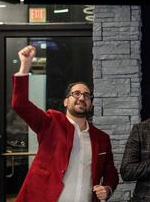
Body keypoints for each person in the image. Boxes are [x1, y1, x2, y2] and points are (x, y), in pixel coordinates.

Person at [12, 45, 118, 202]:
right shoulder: (51, 123)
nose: (82, 98)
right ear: (66, 101)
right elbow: (20, 104)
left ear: (91, 103)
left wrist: (107, 188)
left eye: (87, 95)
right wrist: (25, 66)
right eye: (76, 94)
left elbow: (111, 173)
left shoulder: (101, 138)